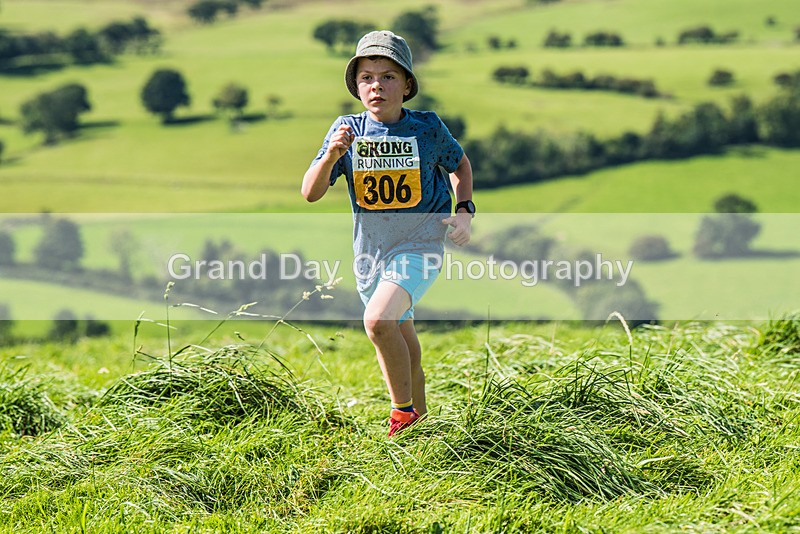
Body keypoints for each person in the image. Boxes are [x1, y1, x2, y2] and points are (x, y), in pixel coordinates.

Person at [302, 30, 475, 437]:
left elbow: (460, 166)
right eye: (366, 77)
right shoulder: (346, 130)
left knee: (378, 321)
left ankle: (402, 415)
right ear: (356, 85)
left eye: (388, 76)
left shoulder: (428, 128)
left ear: (407, 84)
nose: (376, 84)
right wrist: (331, 156)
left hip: (420, 245)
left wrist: (464, 212)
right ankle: (423, 430)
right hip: (370, 254)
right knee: (400, 334)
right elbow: (310, 192)